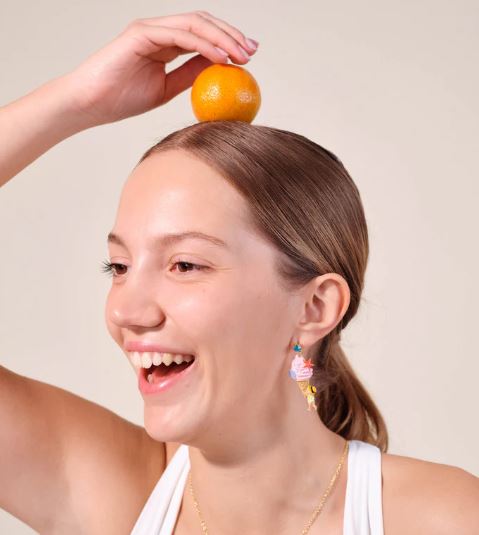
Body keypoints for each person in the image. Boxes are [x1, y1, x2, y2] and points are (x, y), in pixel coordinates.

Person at [0, 10, 477, 535]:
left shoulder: (444, 517)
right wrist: (77, 102)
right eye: (119, 266)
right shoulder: (123, 496)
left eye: (184, 264)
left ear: (314, 308)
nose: (126, 311)